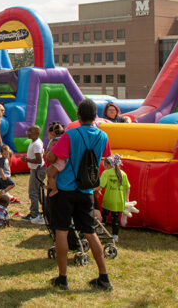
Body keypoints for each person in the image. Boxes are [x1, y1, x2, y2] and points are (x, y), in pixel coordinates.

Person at [47, 99, 113, 291]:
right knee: (91, 232)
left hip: (65, 189)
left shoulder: (70, 134)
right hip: (86, 190)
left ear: (78, 115)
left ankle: (63, 278)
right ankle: (103, 277)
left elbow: (55, 158)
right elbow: (102, 156)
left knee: (61, 231)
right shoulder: (103, 136)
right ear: (95, 116)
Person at [96, 155, 130, 242]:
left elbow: (101, 185)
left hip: (109, 200)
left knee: (104, 216)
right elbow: (127, 187)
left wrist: (92, 190)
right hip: (119, 201)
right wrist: (127, 199)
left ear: (107, 165)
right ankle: (115, 236)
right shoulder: (123, 174)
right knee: (115, 219)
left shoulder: (106, 173)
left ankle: (100, 231)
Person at [21, 125, 46, 224]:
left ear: (37, 133)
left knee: (33, 192)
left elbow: (38, 160)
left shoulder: (37, 144)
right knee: (38, 192)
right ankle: (44, 211)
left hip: (37, 169)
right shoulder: (34, 142)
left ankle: (35, 214)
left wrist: (26, 160)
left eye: (30, 131)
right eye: (27, 131)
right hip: (36, 169)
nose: (27, 133)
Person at [43, 121, 66, 197]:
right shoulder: (63, 139)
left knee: (50, 174)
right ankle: (51, 185)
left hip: (59, 162)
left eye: (48, 134)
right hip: (62, 161)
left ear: (52, 133)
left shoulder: (54, 141)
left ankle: (54, 189)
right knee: (51, 173)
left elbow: (50, 151)